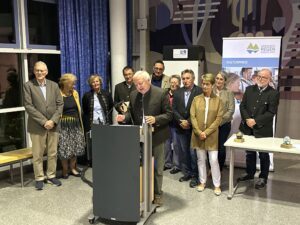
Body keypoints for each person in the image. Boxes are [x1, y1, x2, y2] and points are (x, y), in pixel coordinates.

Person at [116, 70, 172, 206]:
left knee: (157, 168)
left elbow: (169, 114)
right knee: (141, 166)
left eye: (140, 83)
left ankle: (158, 193)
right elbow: (132, 114)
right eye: (136, 84)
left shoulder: (161, 93)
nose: (138, 86)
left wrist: (156, 119)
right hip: (139, 137)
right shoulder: (134, 94)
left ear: (148, 81)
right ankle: (143, 191)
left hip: (157, 136)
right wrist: (124, 117)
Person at [24, 61, 64, 190]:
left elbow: (60, 104)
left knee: (52, 152)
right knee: (38, 154)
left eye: (42, 70)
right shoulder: (28, 86)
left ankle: (51, 176)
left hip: (54, 125)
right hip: (37, 126)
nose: (39, 73)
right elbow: (28, 106)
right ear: (34, 71)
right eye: (37, 70)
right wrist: (44, 121)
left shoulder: (54, 85)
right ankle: (39, 178)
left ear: (46, 72)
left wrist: (53, 120)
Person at [237, 68, 280, 189]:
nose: (260, 79)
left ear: (269, 79)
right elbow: (243, 106)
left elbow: (271, 112)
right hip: (247, 127)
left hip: (263, 129)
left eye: (264, 77)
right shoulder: (249, 89)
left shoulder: (273, 93)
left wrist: (255, 121)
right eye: (259, 76)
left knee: (263, 154)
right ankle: (250, 173)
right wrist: (247, 120)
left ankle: (263, 177)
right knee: (249, 153)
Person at [190, 73, 223, 196]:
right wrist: (199, 132)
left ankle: (217, 185)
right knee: (201, 159)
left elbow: (218, 119)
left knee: (213, 160)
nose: (204, 86)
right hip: (198, 135)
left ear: (212, 85)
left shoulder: (218, 101)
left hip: (212, 135)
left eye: (207, 84)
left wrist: (206, 132)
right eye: (203, 84)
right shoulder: (196, 99)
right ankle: (202, 182)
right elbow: (192, 116)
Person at [172, 69, 202, 188]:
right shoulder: (177, 92)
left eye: (188, 78)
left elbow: (199, 109)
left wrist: (188, 121)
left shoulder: (199, 91)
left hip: (194, 128)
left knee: (193, 153)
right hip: (181, 128)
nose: (185, 80)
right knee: (184, 152)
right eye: (183, 78)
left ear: (193, 78)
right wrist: (181, 121)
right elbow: (173, 109)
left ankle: (195, 176)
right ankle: (187, 173)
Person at [58, 73, 85, 179]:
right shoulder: (58, 94)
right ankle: (65, 169)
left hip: (76, 123)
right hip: (64, 124)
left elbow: (78, 108)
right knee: (64, 148)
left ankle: (73, 168)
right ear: (65, 83)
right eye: (72, 83)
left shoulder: (75, 93)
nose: (73, 85)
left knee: (74, 147)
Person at [82, 74, 113, 165]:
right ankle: (93, 161)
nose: (95, 83)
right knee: (93, 143)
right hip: (92, 123)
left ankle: (105, 159)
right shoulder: (87, 95)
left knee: (105, 141)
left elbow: (111, 106)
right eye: (93, 82)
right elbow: (85, 110)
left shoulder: (106, 93)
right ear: (90, 84)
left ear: (100, 82)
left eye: (97, 81)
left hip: (104, 122)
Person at [213, 71, 235, 171]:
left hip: (224, 124)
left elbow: (231, 110)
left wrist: (220, 120)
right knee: (212, 148)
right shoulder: (210, 90)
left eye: (221, 79)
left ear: (225, 81)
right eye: (217, 78)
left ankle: (219, 169)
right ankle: (211, 169)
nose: (218, 80)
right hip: (211, 124)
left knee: (221, 148)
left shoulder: (229, 93)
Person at [164, 75, 181, 174]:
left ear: (179, 83)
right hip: (166, 123)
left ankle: (176, 165)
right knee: (166, 144)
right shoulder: (164, 93)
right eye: (172, 82)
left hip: (176, 123)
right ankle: (167, 163)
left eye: (176, 82)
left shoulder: (180, 93)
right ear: (169, 83)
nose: (174, 84)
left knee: (176, 144)